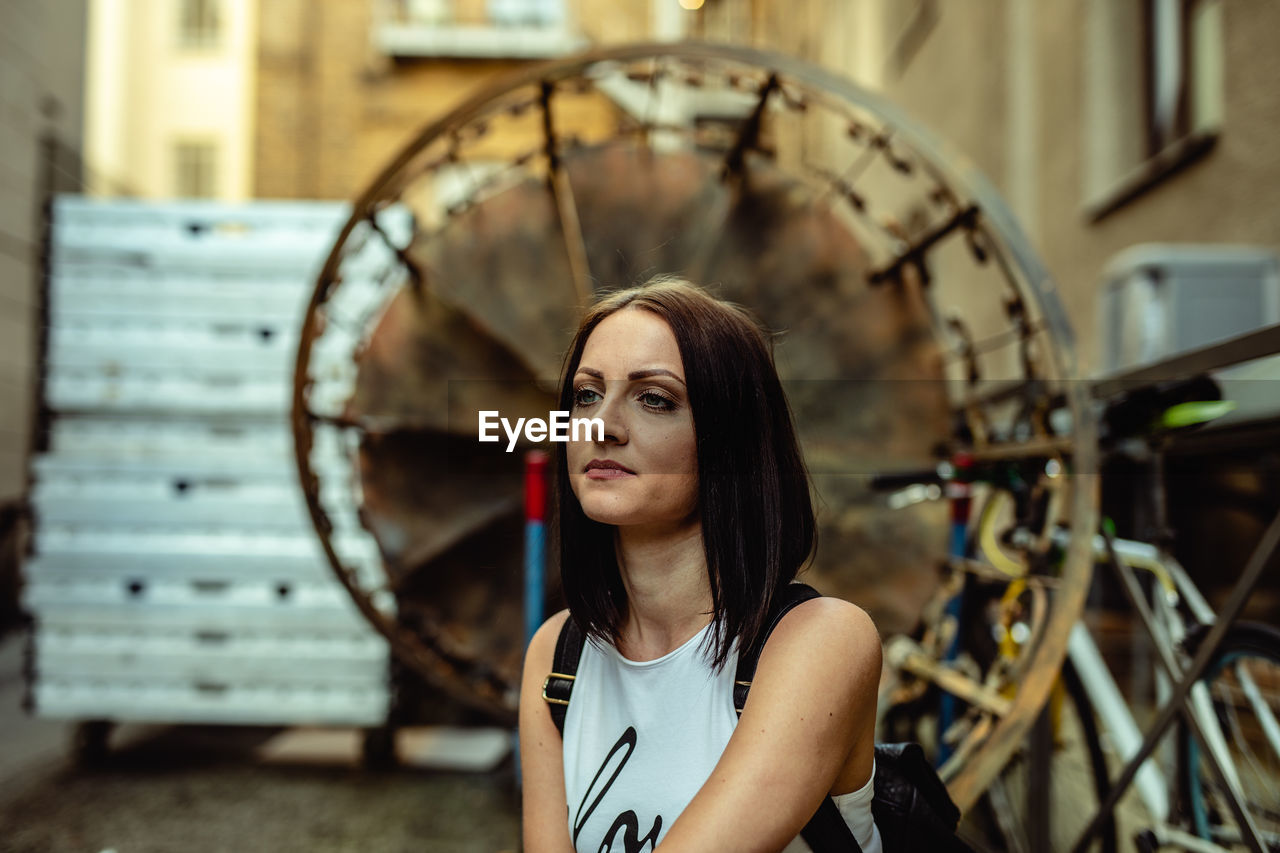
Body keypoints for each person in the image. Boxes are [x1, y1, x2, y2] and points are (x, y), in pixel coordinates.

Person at [519, 277, 883, 853]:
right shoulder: (557, 654)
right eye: (587, 394)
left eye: (655, 399)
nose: (600, 425)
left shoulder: (821, 642)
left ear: (730, 443)